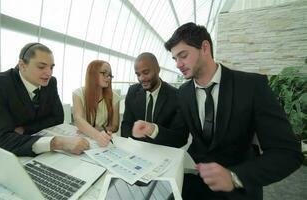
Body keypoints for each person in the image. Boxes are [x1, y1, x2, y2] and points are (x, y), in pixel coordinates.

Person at [161, 22, 303, 200]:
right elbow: (179, 135)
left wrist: (234, 176)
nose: (178, 64)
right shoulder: (183, 93)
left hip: (238, 185)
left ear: (205, 47)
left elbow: (288, 153)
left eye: (183, 56)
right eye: (175, 59)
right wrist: (153, 130)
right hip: (195, 180)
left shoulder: (251, 87)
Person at [0, 42, 89, 157]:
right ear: (22, 65)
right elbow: (1, 139)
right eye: (41, 67)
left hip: (34, 151)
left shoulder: (50, 83)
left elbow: (57, 118)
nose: (49, 73)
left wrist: (25, 129)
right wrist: (56, 142)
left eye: (51, 67)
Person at [121, 52, 187, 147]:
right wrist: (132, 134)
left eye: (146, 72)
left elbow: (180, 138)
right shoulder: (132, 91)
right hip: (137, 150)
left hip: (163, 151)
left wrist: (154, 131)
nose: (141, 78)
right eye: (138, 74)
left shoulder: (176, 96)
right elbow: (125, 126)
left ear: (158, 69)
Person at [72, 60, 120, 147]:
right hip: (83, 139)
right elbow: (78, 119)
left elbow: (115, 126)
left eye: (110, 75)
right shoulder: (78, 94)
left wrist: (97, 130)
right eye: (104, 73)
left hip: (105, 139)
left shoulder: (115, 97)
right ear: (92, 74)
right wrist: (97, 134)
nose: (108, 77)